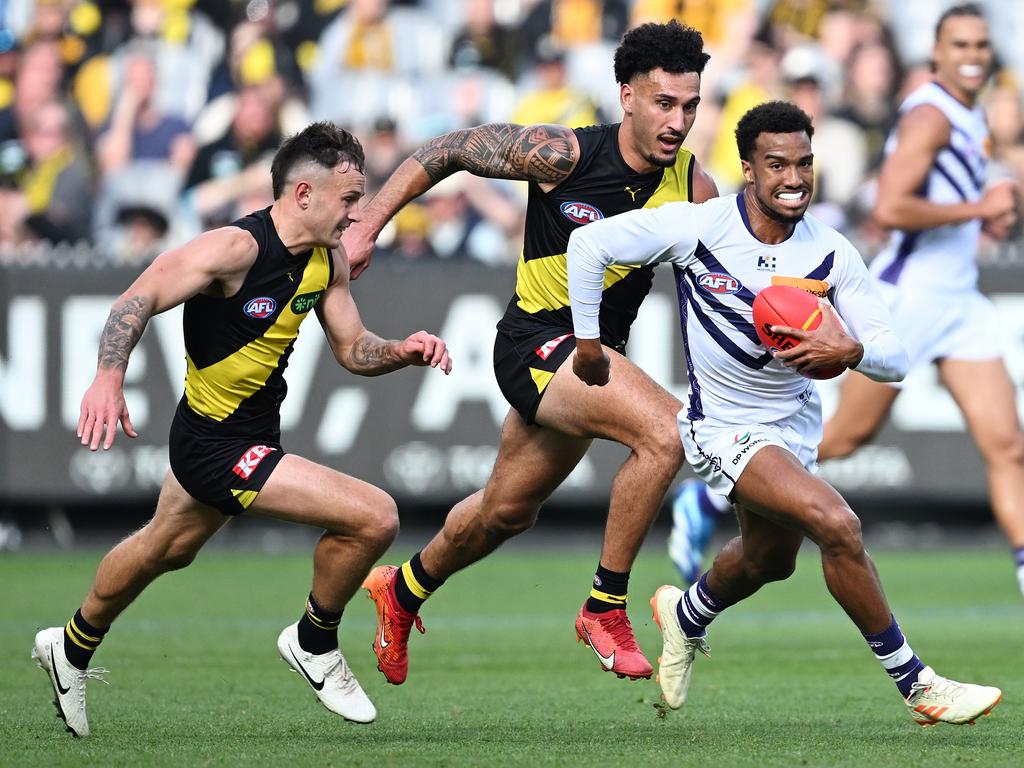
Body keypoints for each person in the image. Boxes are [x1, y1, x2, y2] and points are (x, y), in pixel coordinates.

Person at [567, 99, 1002, 726]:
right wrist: (587, 342)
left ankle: (683, 615)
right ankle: (919, 685)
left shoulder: (832, 252)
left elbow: (895, 355)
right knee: (838, 524)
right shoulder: (699, 226)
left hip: (792, 429)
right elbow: (587, 245)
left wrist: (850, 349)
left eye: (804, 163)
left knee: (768, 561)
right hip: (721, 427)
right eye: (777, 165)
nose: (794, 179)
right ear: (748, 168)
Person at [31, 122, 452, 738]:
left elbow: (352, 348)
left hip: (249, 432)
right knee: (375, 516)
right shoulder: (234, 249)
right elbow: (137, 298)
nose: (356, 214)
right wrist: (107, 377)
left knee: (164, 548)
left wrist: (401, 351)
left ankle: (69, 647)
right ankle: (314, 641)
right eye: (348, 200)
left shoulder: (327, 258)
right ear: (303, 194)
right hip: (214, 443)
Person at [343, 20, 718, 685]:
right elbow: (453, 147)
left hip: (591, 363)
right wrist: (369, 224)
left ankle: (401, 591)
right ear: (627, 95)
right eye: (664, 102)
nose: (678, 120)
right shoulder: (562, 155)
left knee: (503, 512)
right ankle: (604, 606)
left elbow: (721, 291)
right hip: (535, 345)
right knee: (666, 432)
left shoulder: (694, 190)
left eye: (690, 105)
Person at [669, 3, 1024, 598]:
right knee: (843, 439)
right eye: (959, 46)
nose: (972, 57)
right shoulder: (930, 116)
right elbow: (889, 209)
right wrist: (978, 210)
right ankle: (705, 496)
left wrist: (971, 224)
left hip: (958, 297)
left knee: (1007, 443)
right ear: (935, 53)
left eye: (981, 46)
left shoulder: (968, 114)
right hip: (910, 294)